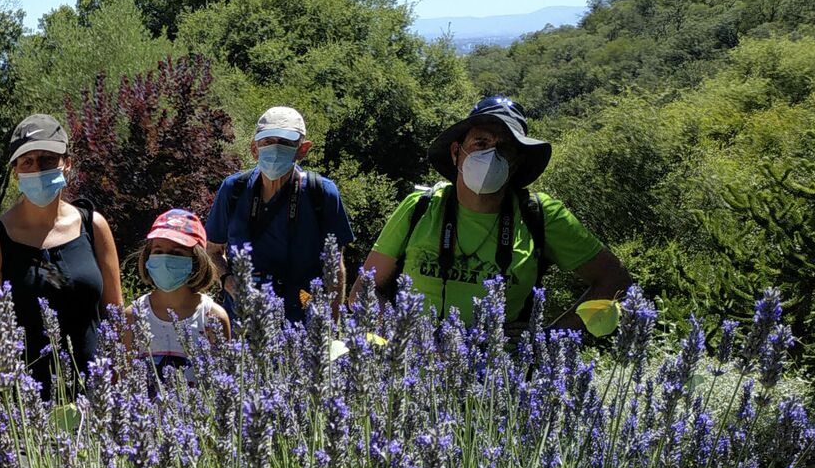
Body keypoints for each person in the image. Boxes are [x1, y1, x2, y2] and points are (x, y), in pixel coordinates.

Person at [353, 96, 631, 329]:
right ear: (455, 152)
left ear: (517, 161)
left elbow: (615, 280)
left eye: (505, 147)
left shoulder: (542, 214)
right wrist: (407, 336)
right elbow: (361, 292)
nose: (491, 155)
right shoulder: (421, 206)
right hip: (415, 376)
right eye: (481, 143)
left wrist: (551, 340)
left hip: (501, 383)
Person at [0, 113, 124, 394]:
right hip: (24, 409)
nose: (38, 169)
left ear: (67, 164)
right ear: (16, 171)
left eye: (49, 159)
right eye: (28, 161)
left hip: (94, 400)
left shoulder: (94, 226)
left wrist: (117, 390)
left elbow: (116, 317)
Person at [201, 106, 353, 325]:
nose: (275, 148)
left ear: (303, 149)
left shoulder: (322, 193)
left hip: (301, 326)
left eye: (286, 143)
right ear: (254, 148)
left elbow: (335, 267)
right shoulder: (233, 189)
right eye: (267, 141)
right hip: (242, 326)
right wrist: (229, 281)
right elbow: (212, 251)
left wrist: (330, 332)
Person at [129, 209, 230, 375]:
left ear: (197, 260)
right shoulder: (133, 316)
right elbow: (124, 382)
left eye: (177, 253)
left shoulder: (213, 318)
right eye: (158, 251)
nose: (166, 259)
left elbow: (223, 384)